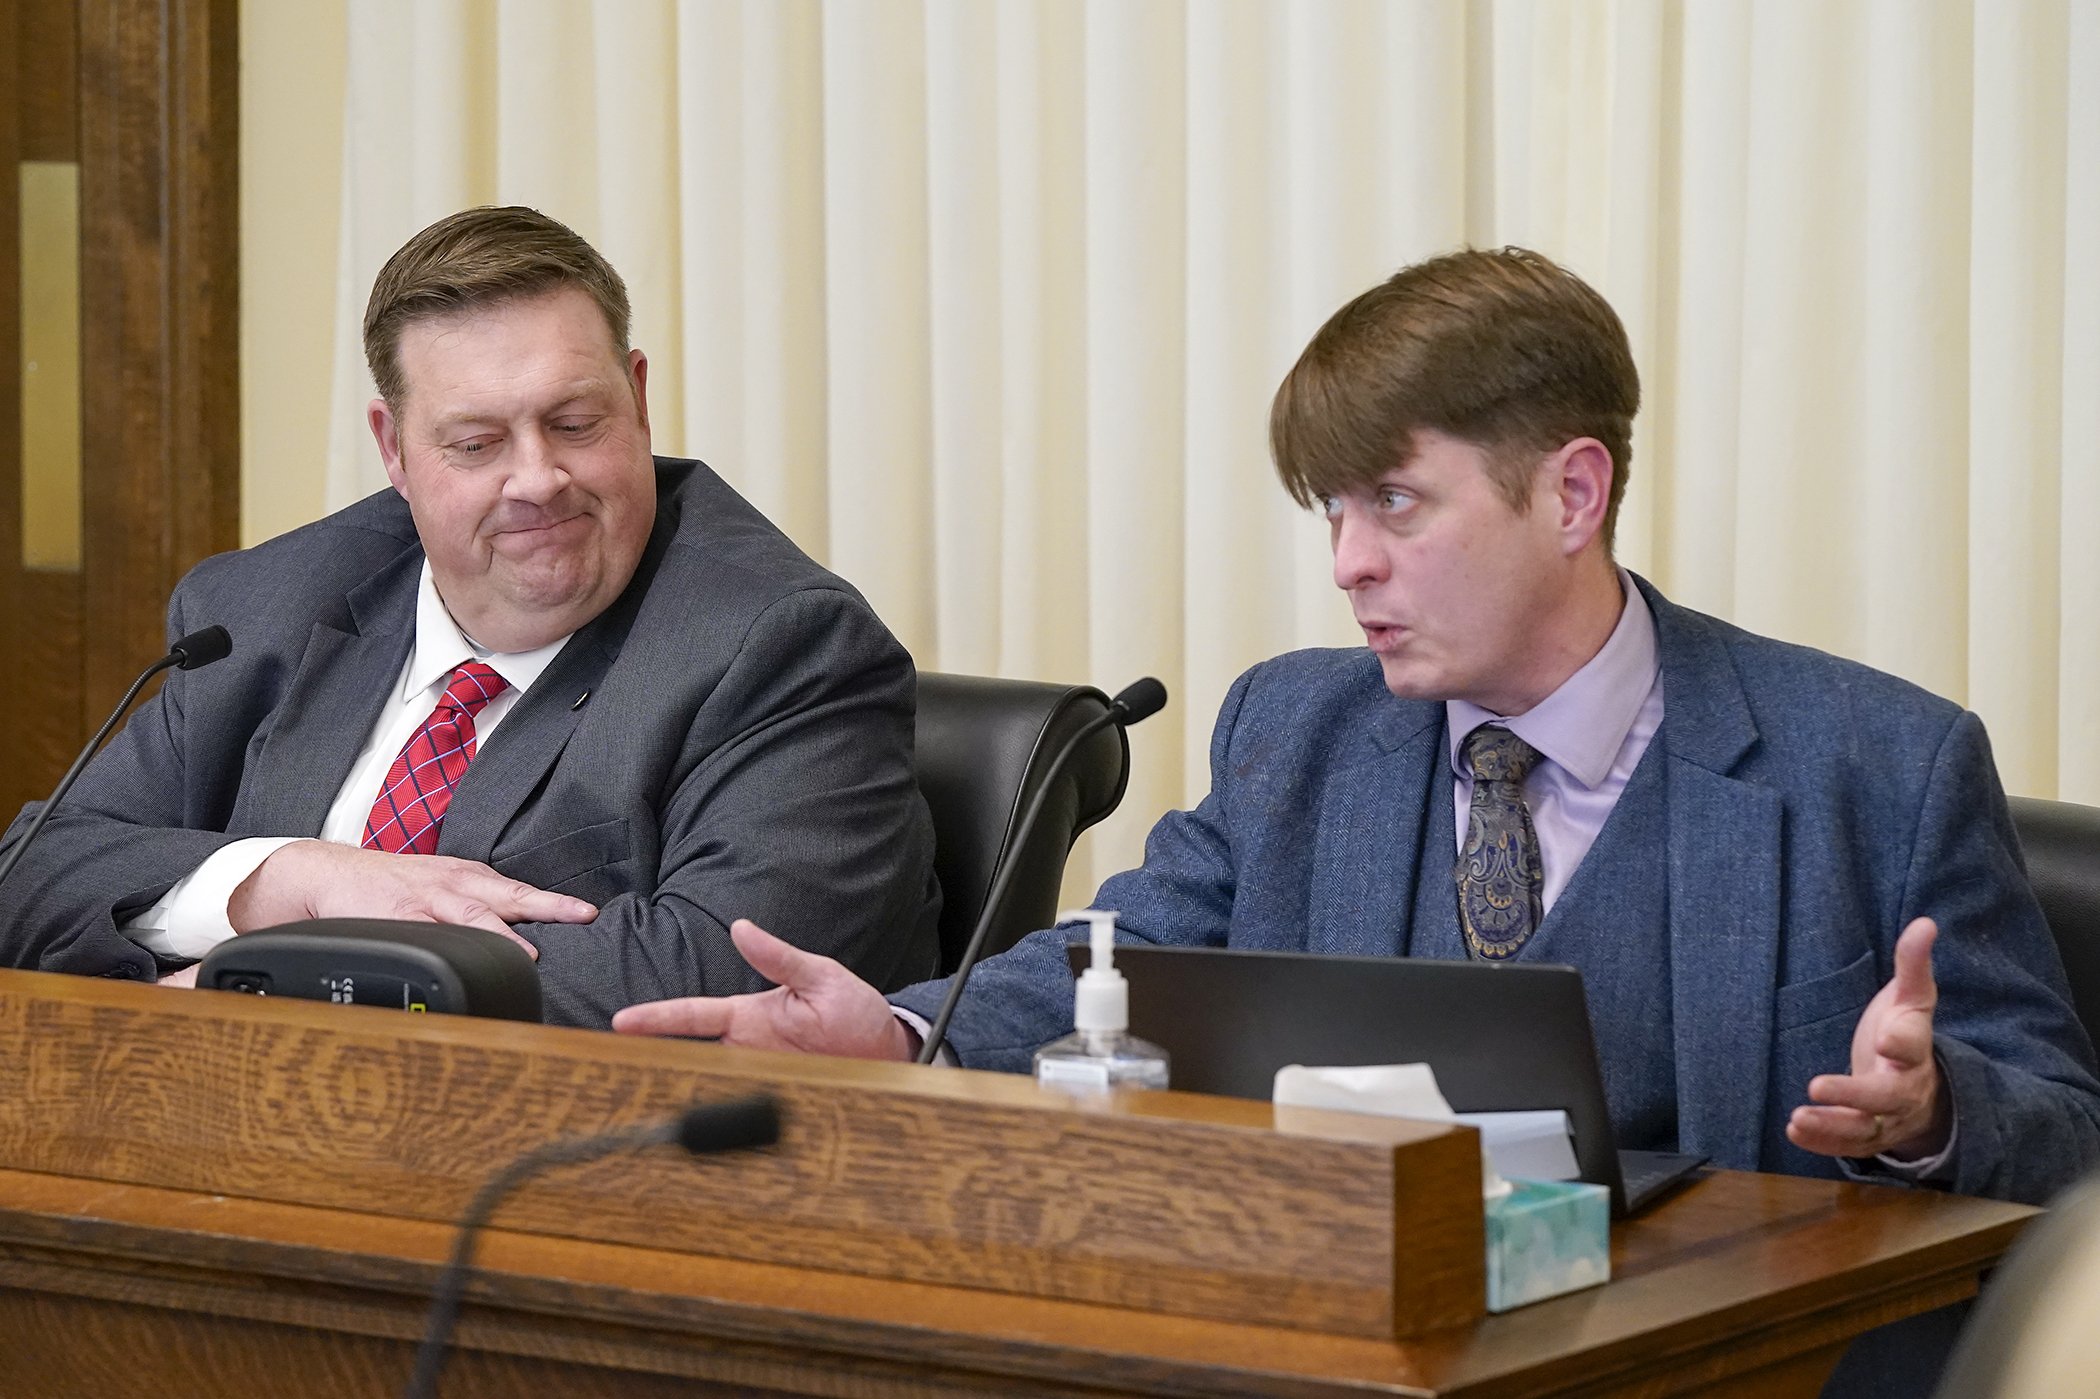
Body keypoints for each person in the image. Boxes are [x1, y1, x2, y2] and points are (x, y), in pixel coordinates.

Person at [611, 247, 2100, 1395]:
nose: (1349, 563)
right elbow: (1114, 955)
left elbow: (2066, 1135)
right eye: (1330, 510)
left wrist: (1932, 1111)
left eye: (1396, 502)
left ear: (1572, 490)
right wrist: (898, 1033)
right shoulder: (1301, 725)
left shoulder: (1875, 764)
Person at [0, 206, 941, 1028]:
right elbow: (31, 877)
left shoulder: (781, 644)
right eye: (477, 443)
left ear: (640, 399)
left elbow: (720, 975)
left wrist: (271, 983)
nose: (537, 479)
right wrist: (280, 880)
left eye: (575, 422)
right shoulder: (262, 608)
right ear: (394, 448)